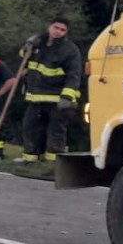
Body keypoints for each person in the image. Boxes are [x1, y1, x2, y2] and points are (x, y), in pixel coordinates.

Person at [17, 17, 82, 164]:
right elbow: (24, 56)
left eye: (62, 30)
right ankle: (30, 159)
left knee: (55, 131)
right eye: (56, 28)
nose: (58, 32)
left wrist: (67, 97)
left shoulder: (70, 50)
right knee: (30, 127)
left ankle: (53, 162)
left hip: (57, 98)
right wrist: (27, 46)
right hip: (36, 97)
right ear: (49, 27)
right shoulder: (38, 44)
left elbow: (74, 75)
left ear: (66, 33)